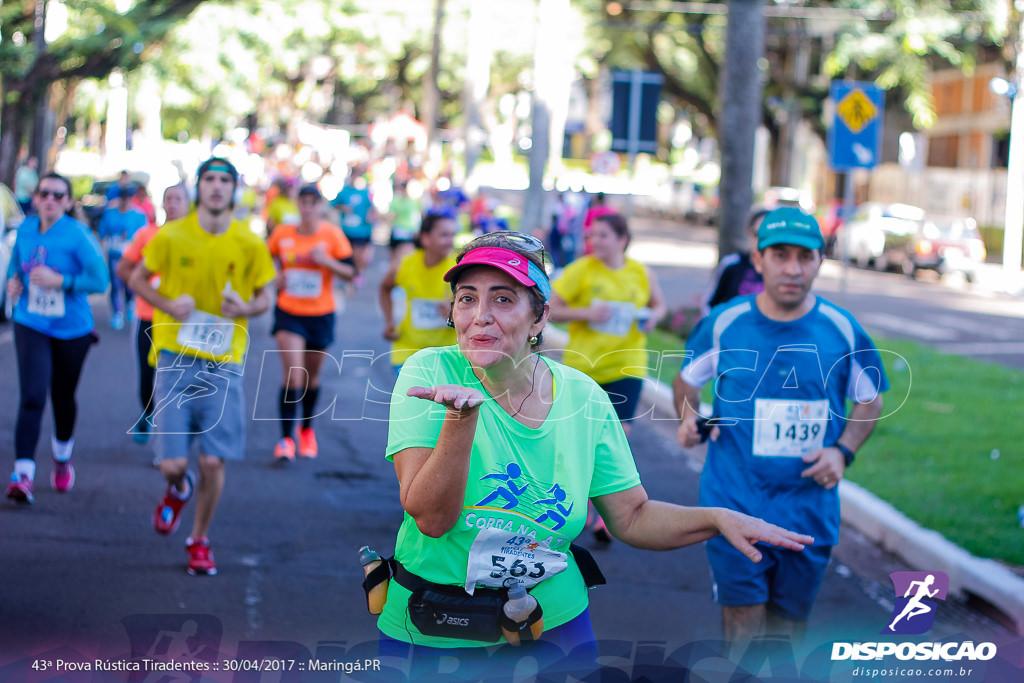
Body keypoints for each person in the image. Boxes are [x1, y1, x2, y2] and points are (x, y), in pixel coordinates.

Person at [374, 231, 813, 667]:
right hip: (435, 627)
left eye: (503, 299)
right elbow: (431, 519)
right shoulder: (430, 372)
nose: (480, 316)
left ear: (540, 317)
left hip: (552, 626)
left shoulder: (584, 397)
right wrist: (460, 420)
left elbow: (633, 517)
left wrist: (715, 518)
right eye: (467, 298)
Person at [673, 207, 888, 650]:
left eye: (804, 257)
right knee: (743, 632)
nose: (793, 268)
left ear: (820, 261)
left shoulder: (842, 330)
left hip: (807, 509)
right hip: (735, 503)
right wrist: (687, 418)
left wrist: (842, 451)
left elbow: (871, 399)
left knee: (787, 637)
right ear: (759, 260)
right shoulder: (724, 324)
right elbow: (688, 380)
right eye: (780, 255)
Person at [128, 157, 275, 576]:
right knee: (174, 465)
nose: (216, 187)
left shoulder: (249, 242)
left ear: (234, 189)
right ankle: (179, 489)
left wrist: (246, 307)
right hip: (175, 359)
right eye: (208, 179)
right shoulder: (172, 235)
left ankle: (199, 539)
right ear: (198, 187)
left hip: (224, 362)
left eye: (224, 180)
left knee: (213, 461)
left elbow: (266, 295)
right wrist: (168, 305)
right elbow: (137, 278)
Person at [549, 212, 667, 542]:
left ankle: (607, 512)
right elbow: (549, 307)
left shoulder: (640, 273)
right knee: (581, 439)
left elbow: (659, 305)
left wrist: (652, 318)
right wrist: (586, 313)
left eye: (602, 235)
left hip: (626, 366)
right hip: (584, 368)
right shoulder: (580, 270)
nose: (595, 242)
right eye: (592, 236)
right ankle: (582, 502)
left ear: (622, 239)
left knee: (618, 436)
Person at [4, 173, 109, 504]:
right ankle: (23, 474)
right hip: (30, 321)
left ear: (66, 201)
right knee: (33, 396)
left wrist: (59, 280)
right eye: (44, 193)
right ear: (35, 198)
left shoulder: (78, 235)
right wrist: (13, 284)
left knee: (62, 397)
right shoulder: (25, 228)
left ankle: (62, 456)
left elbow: (100, 281)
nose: (50, 199)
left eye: (57, 194)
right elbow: (14, 268)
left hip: (71, 329)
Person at [266, 184, 356, 461]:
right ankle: (285, 439)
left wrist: (326, 261)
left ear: (320, 206)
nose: (307, 208)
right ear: (297, 205)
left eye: (312, 203)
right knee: (293, 374)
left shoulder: (332, 235)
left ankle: (306, 430)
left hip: (320, 314)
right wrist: (275, 278)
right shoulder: (283, 233)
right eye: (302, 203)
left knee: (310, 377)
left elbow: (351, 272)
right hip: (289, 311)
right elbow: (265, 259)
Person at [117, 183, 192, 448]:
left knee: (178, 378)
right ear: (162, 203)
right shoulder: (147, 234)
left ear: (188, 204)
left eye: (178, 199)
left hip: (183, 320)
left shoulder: (197, 239)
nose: (173, 204)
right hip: (149, 316)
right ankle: (148, 413)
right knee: (148, 375)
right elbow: (124, 268)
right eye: (168, 198)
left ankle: (169, 441)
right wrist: (145, 288)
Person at [378, 211, 458, 375]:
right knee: (412, 397)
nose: (450, 241)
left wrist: (454, 314)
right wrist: (389, 322)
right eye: (444, 235)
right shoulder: (406, 264)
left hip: (445, 354)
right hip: (407, 350)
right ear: (425, 238)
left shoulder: (459, 269)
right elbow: (385, 288)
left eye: (452, 235)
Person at [701, 206, 769, 316]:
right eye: (757, 234)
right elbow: (710, 304)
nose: (761, 241)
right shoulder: (732, 264)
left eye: (767, 236)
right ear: (749, 232)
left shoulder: (781, 271)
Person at [98, 185, 147, 330]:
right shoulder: (110, 213)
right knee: (115, 283)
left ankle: (130, 303)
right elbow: (102, 231)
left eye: (128, 197)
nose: (125, 201)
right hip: (114, 252)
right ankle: (117, 312)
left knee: (129, 282)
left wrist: (131, 237)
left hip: (131, 254)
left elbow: (143, 234)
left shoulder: (139, 214)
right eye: (123, 197)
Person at [331, 169, 375, 283]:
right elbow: (333, 204)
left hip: (361, 230)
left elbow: (372, 209)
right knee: (346, 255)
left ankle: (358, 274)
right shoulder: (344, 191)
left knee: (358, 254)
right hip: (346, 230)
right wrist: (342, 208)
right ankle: (348, 276)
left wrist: (371, 217)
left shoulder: (365, 192)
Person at [385, 180, 420, 269]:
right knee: (394, 254)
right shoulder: (397, 200)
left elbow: (416, 216)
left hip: (407, 230)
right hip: (397, 230)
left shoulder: (413, 202)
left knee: (401, 255)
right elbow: (391, 215)